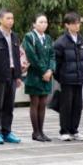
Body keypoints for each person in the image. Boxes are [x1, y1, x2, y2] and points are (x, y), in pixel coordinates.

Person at [0, 9, 23, 145]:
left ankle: (7, 131)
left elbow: (17, 58)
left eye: (12, 18)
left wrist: (18, 76)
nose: (11, 21)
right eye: (8, 18)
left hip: (12, 75)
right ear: (0, 20)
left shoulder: (15, 36)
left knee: (9, 106)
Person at [54, 12, 83, 142]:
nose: (77, 25)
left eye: (78, 23)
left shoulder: (82, 40)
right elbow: (56, 63)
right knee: (66, 106)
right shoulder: (60, 42)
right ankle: (64, 131)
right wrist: (60, 77)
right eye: (74, 23)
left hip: (79, 79)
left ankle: (74, 130)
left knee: (77, 106)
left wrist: (82, 75)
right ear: (67, 25)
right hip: (66, 80)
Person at [23, 13, 57, 142]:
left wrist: (51, 70)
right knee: (35, 102)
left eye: (45, 22)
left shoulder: (48, 38)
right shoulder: (29, 37)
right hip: (35, 75)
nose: (44, 24)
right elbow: (32, 57)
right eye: (41, 22)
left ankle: (41, 132)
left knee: (43, 103)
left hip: (47, 76)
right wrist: (44, 71)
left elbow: (52, 56)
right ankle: (35, 132)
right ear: (34, 24)